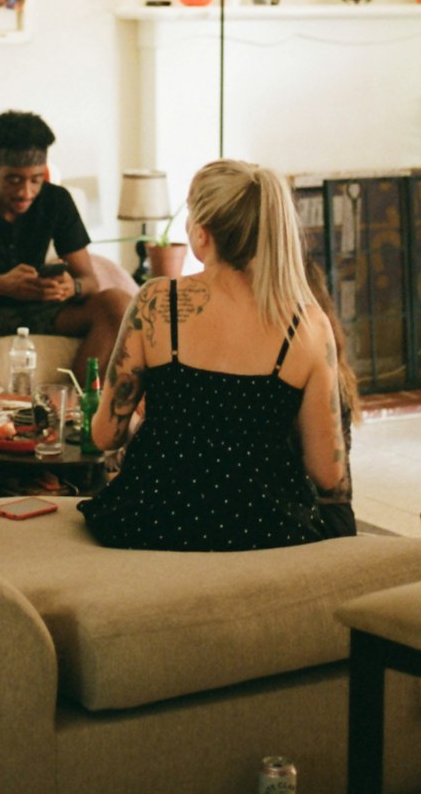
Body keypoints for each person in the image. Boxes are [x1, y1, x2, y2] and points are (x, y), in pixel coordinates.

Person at [78, 159, 346, 551]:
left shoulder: (157, 302)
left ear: (202, 236)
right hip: (267, 531)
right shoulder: (308, 325)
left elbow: (104, 436)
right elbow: (327, 473)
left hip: (153, 521)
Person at [0, 110, 130, 384]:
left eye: (36, 180)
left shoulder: (58, 201)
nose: (26, 192)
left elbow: (89, 280)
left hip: (40, 310)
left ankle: (76, 408)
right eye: (14, 180)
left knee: (118, 302)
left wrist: (70, 287)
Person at [304, 254, 360, 538]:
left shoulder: (308, 366)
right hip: (333, 513)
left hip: (322, 517)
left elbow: (324, 478)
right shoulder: (331, 360)